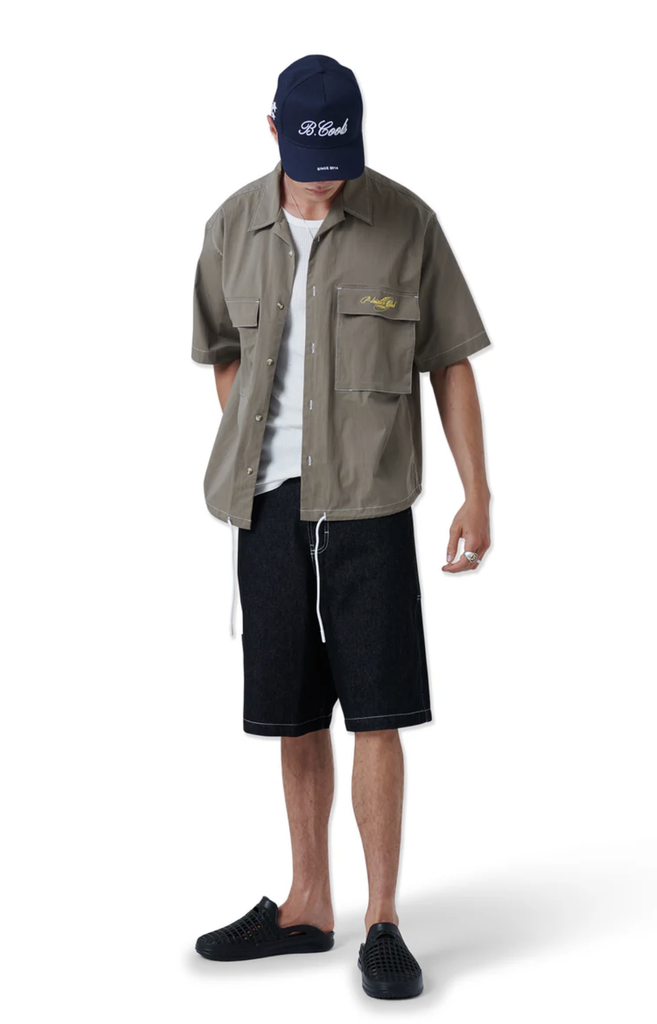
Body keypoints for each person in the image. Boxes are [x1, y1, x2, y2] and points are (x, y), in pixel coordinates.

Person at [190, 54, 492, 1000]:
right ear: (273, 132)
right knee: (292, 713)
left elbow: (449, 360)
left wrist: (477, 493)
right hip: (266, 507)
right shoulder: (230, 227)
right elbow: (221, 351)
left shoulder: (407, 222)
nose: (326, 181)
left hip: (369, 505)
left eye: (341, 161)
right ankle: (307, 905)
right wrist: (257, 442)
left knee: (378, 712)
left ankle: (383, 921)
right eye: (310, 160)